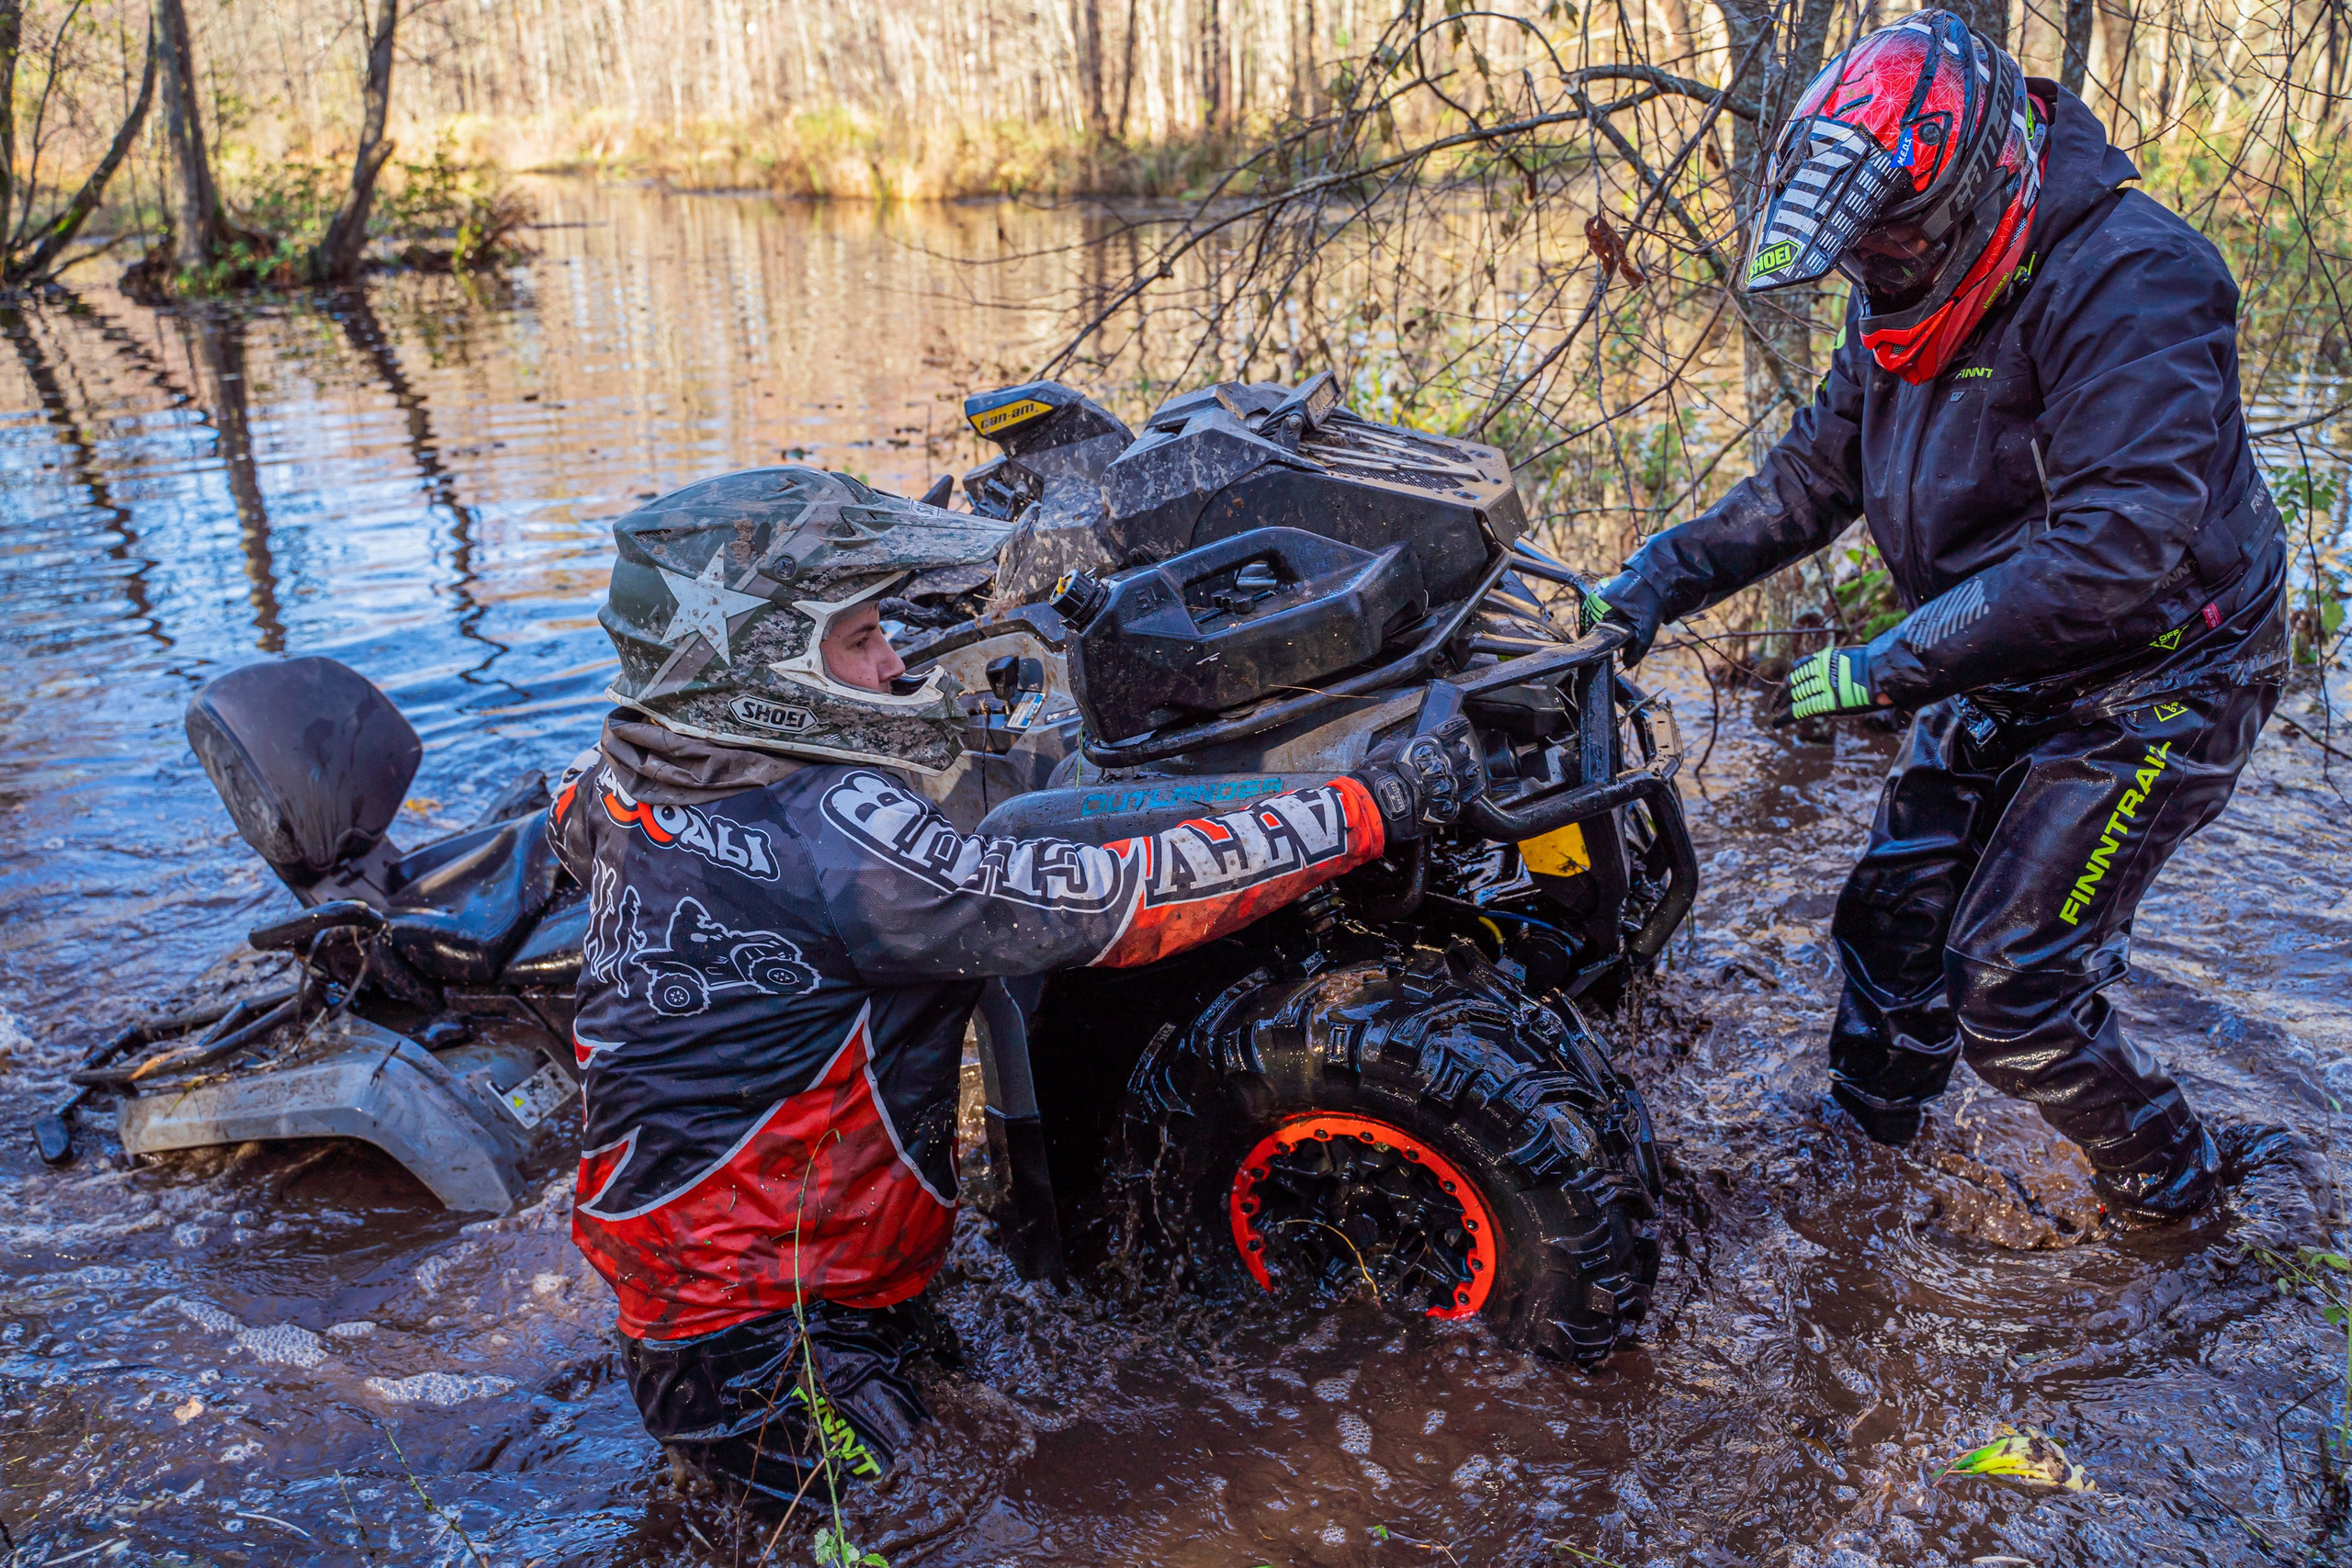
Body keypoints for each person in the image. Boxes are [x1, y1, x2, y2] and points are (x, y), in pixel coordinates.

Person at [547, 465, 1478, 1504]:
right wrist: (1371, 803)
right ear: (761, 674)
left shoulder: (621, 775)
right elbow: (1109, 900)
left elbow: (579, 834)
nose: (894, 660)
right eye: (860, 641)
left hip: (734, 1286)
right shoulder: (839, 847)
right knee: (936, 1522)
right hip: (764, 1337)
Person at [1581, 11, 2290, 1224]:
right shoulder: (1894, 299)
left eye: (1900, 235)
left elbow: (2115, 548)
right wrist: (1655, 577)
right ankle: (1865, 1152)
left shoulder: (2136, 279)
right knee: (1894, 917)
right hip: (1996, 646)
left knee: (2013, 984)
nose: (1881, 263)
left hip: (2164, 662)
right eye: (1864, 245)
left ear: (1984, 184)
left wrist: (1890, 662)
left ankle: (2184, 1194)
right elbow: (1812, 477)